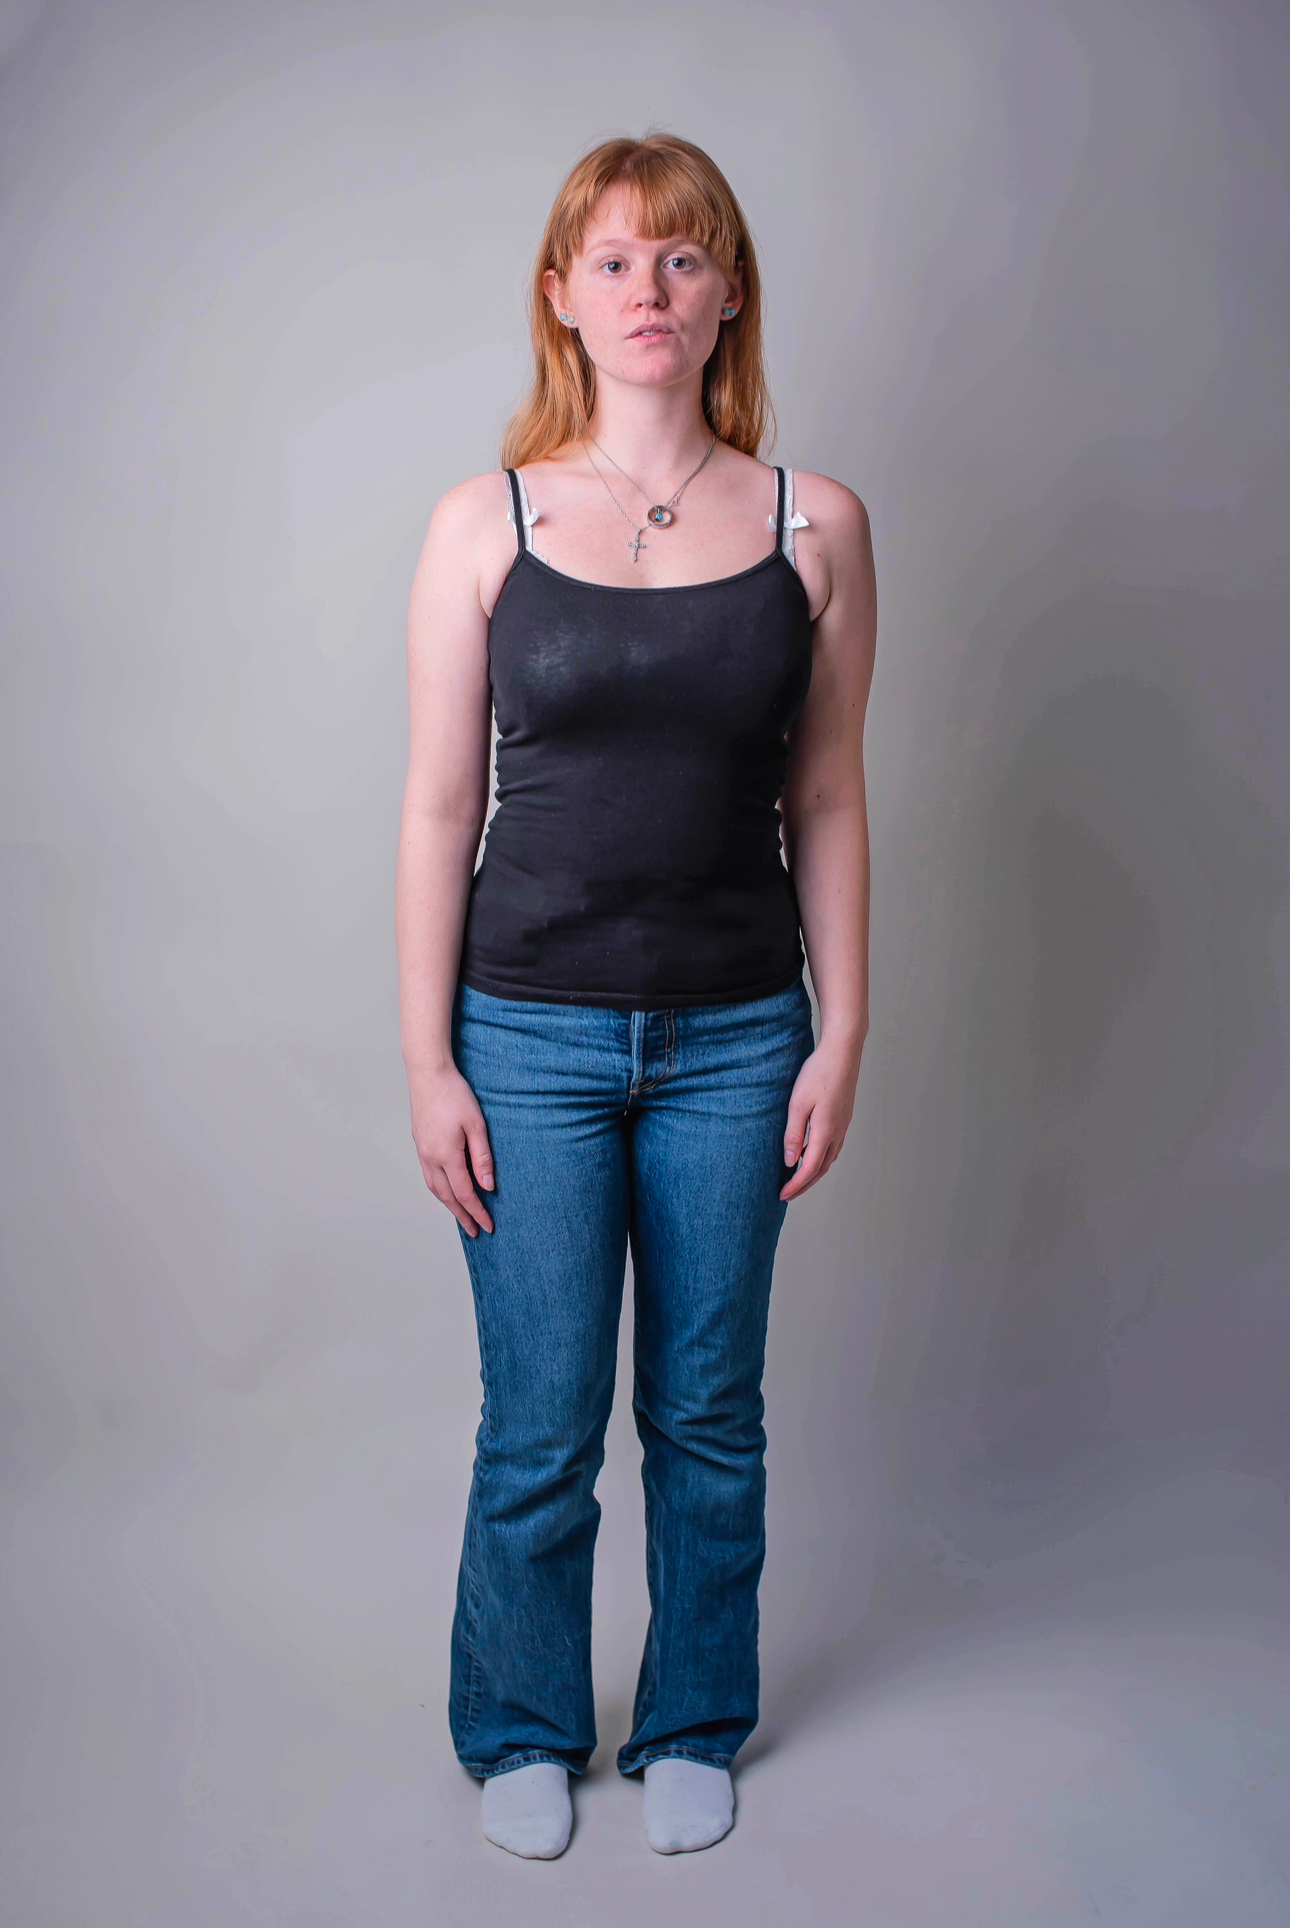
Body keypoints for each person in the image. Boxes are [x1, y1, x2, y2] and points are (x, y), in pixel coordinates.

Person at [395, 132, 876, 1860]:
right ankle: (522, 1724)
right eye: (611, 260)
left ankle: (691, 1718)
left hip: (738, 1037)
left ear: (727, 289)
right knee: (539, 1423)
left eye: (680, 256)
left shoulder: (817, 524)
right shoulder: (485, 522)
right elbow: (438, 808)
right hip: (523, 1032)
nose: (647, 288)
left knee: (706, 1414)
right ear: (562, 299)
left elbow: (826, 794)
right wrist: (427, 1061)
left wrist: (844, 1029)